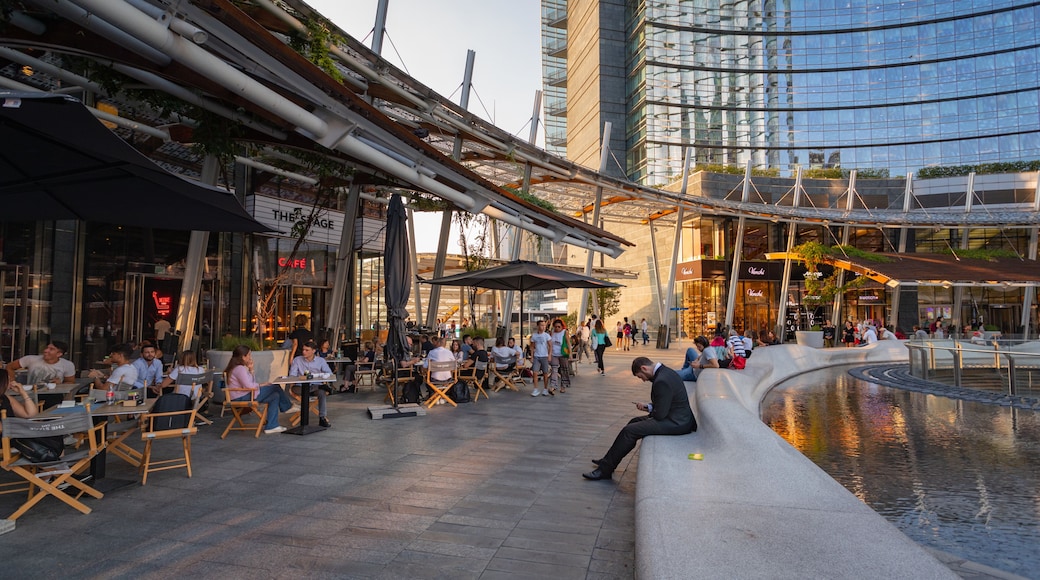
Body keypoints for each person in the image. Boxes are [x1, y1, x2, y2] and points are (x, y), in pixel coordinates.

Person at [583, 357, 697, 481]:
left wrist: (650, 410)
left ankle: (605, 470)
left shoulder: (661, 381)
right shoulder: (666, 372)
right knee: (633, 423)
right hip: (677, 417)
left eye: (640, 376)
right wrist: (648, 407)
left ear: (644, 368)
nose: (643, 380)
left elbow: (660, 415)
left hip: (677, 422)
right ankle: (608, 460)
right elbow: (666, 403)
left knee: (629, 431)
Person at [225, 345, 299, 434]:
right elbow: (249, 386)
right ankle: (287, 407)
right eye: (249, 355)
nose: (250, 357)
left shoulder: (237, 368)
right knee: (275, 386)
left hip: (244, 395)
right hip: (242, 397)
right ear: (243, 357)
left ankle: (272, 426)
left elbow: (251, 383)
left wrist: (251, 370)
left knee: (275, 396)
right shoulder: (239, 369)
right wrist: (260, 385)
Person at [288, 341, 332, 428]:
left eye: (307, 350)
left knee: (322, 393)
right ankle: (320, 387)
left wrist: (319, 376)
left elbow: (329, 373)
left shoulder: (320, 361)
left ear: (313, 351)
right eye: (303, 350)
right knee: (320, 388)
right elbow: (292, 375)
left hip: (314, 386)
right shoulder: (297, 360)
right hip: (300, 387)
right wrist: (298, 379)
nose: (304, 352)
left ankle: (322, 418)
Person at [6, 341, 76, 384]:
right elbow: (9, 367)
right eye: (47, 348)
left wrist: (60, 383)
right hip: (31, 394)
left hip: (55, 395)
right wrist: (12, 382)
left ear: (59, 354)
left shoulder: (67, 365)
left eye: (51, 349)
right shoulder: (30, 359)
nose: (46, 350)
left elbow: (70, 382)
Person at [423, 336, 456, 402]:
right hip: (448, 379)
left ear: (438, 343)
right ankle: (441, 396)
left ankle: (435, 396)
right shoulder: (449, 352)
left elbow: (425, 366)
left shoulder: (432, 352)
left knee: (426, 377)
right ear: (445, 344)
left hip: (435, 379)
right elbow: (455, 366)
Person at [529, 320, 552, 397]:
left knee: (545, 373)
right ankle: (536, 389)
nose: (543, 327)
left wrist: (549, 355)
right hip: (537, 356)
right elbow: (532, 347)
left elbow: (550, 345)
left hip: (544, 356)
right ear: (538, 326)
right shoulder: (534, 336)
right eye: (542, 325)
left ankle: (545, 389)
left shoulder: (546, 335)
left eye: (544, 325)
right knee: (535, 372)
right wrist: (532, 356)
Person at [548, 319, 568, 395]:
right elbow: (549, 343)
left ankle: (563, 386)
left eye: (559, 327)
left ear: (562, 326)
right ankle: (553, 386)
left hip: (563, 353)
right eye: (555, 327)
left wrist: (570, 354)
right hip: (554, 354)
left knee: (564, 370)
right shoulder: (552, 332)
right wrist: (549, 354)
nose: (557, 328)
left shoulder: (564, 332)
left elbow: (568, 343)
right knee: (554, 370)